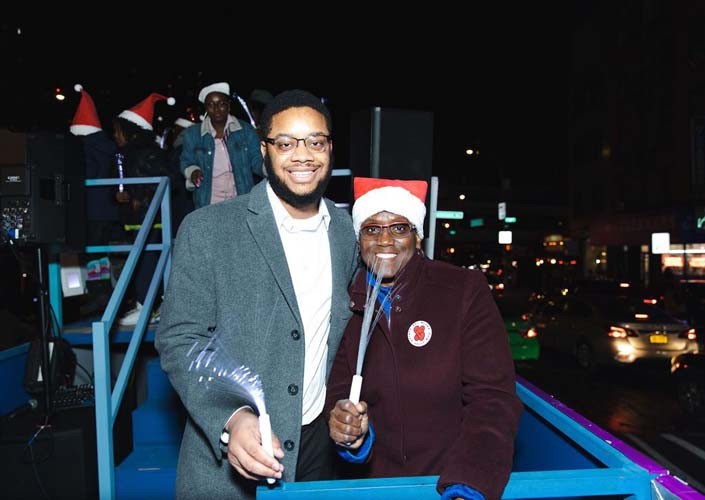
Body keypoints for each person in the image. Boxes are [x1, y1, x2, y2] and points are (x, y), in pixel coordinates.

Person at [155, 89, 359, 499]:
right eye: (285, 143)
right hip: (230, 466)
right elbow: (179, 340)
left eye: (315, 141)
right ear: (263, 151)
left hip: (318, 458)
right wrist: (231, 417)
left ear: (330, 148)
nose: (302, 155)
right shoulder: (207, 229)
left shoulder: (345, 232)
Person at [326, 177, 523, 500]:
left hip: (450, 482)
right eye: (372, 229)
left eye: (399, 228)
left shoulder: (462, 291)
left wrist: (467, 485)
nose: (385, 240)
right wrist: (352, 434)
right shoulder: (346, 301)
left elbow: (493, 400)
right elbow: (338, 389)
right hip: (377, 488)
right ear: (358, 241)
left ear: (417, 237)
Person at [113, 92, 175, 326]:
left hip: (150, 216)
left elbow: (165, 179)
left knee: (148, 259)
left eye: (118, 130)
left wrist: (140, 196)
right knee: (141, 259)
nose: (116, 136)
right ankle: (144, 303)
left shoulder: (147, 153)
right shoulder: (127, 155)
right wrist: (122, 195)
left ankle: (148, 305)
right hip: (138, 216)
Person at [181, 81, 264, 209]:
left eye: (221, 104)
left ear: (229, 106)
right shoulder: (193, 134)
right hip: (208, 199)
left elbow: (256, 160)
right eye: (211, 105)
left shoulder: (245, 130)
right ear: (206, 108)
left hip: (241, 197)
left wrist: (270, 168)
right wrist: (193, 171)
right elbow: (186, 161)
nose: (216, 109)